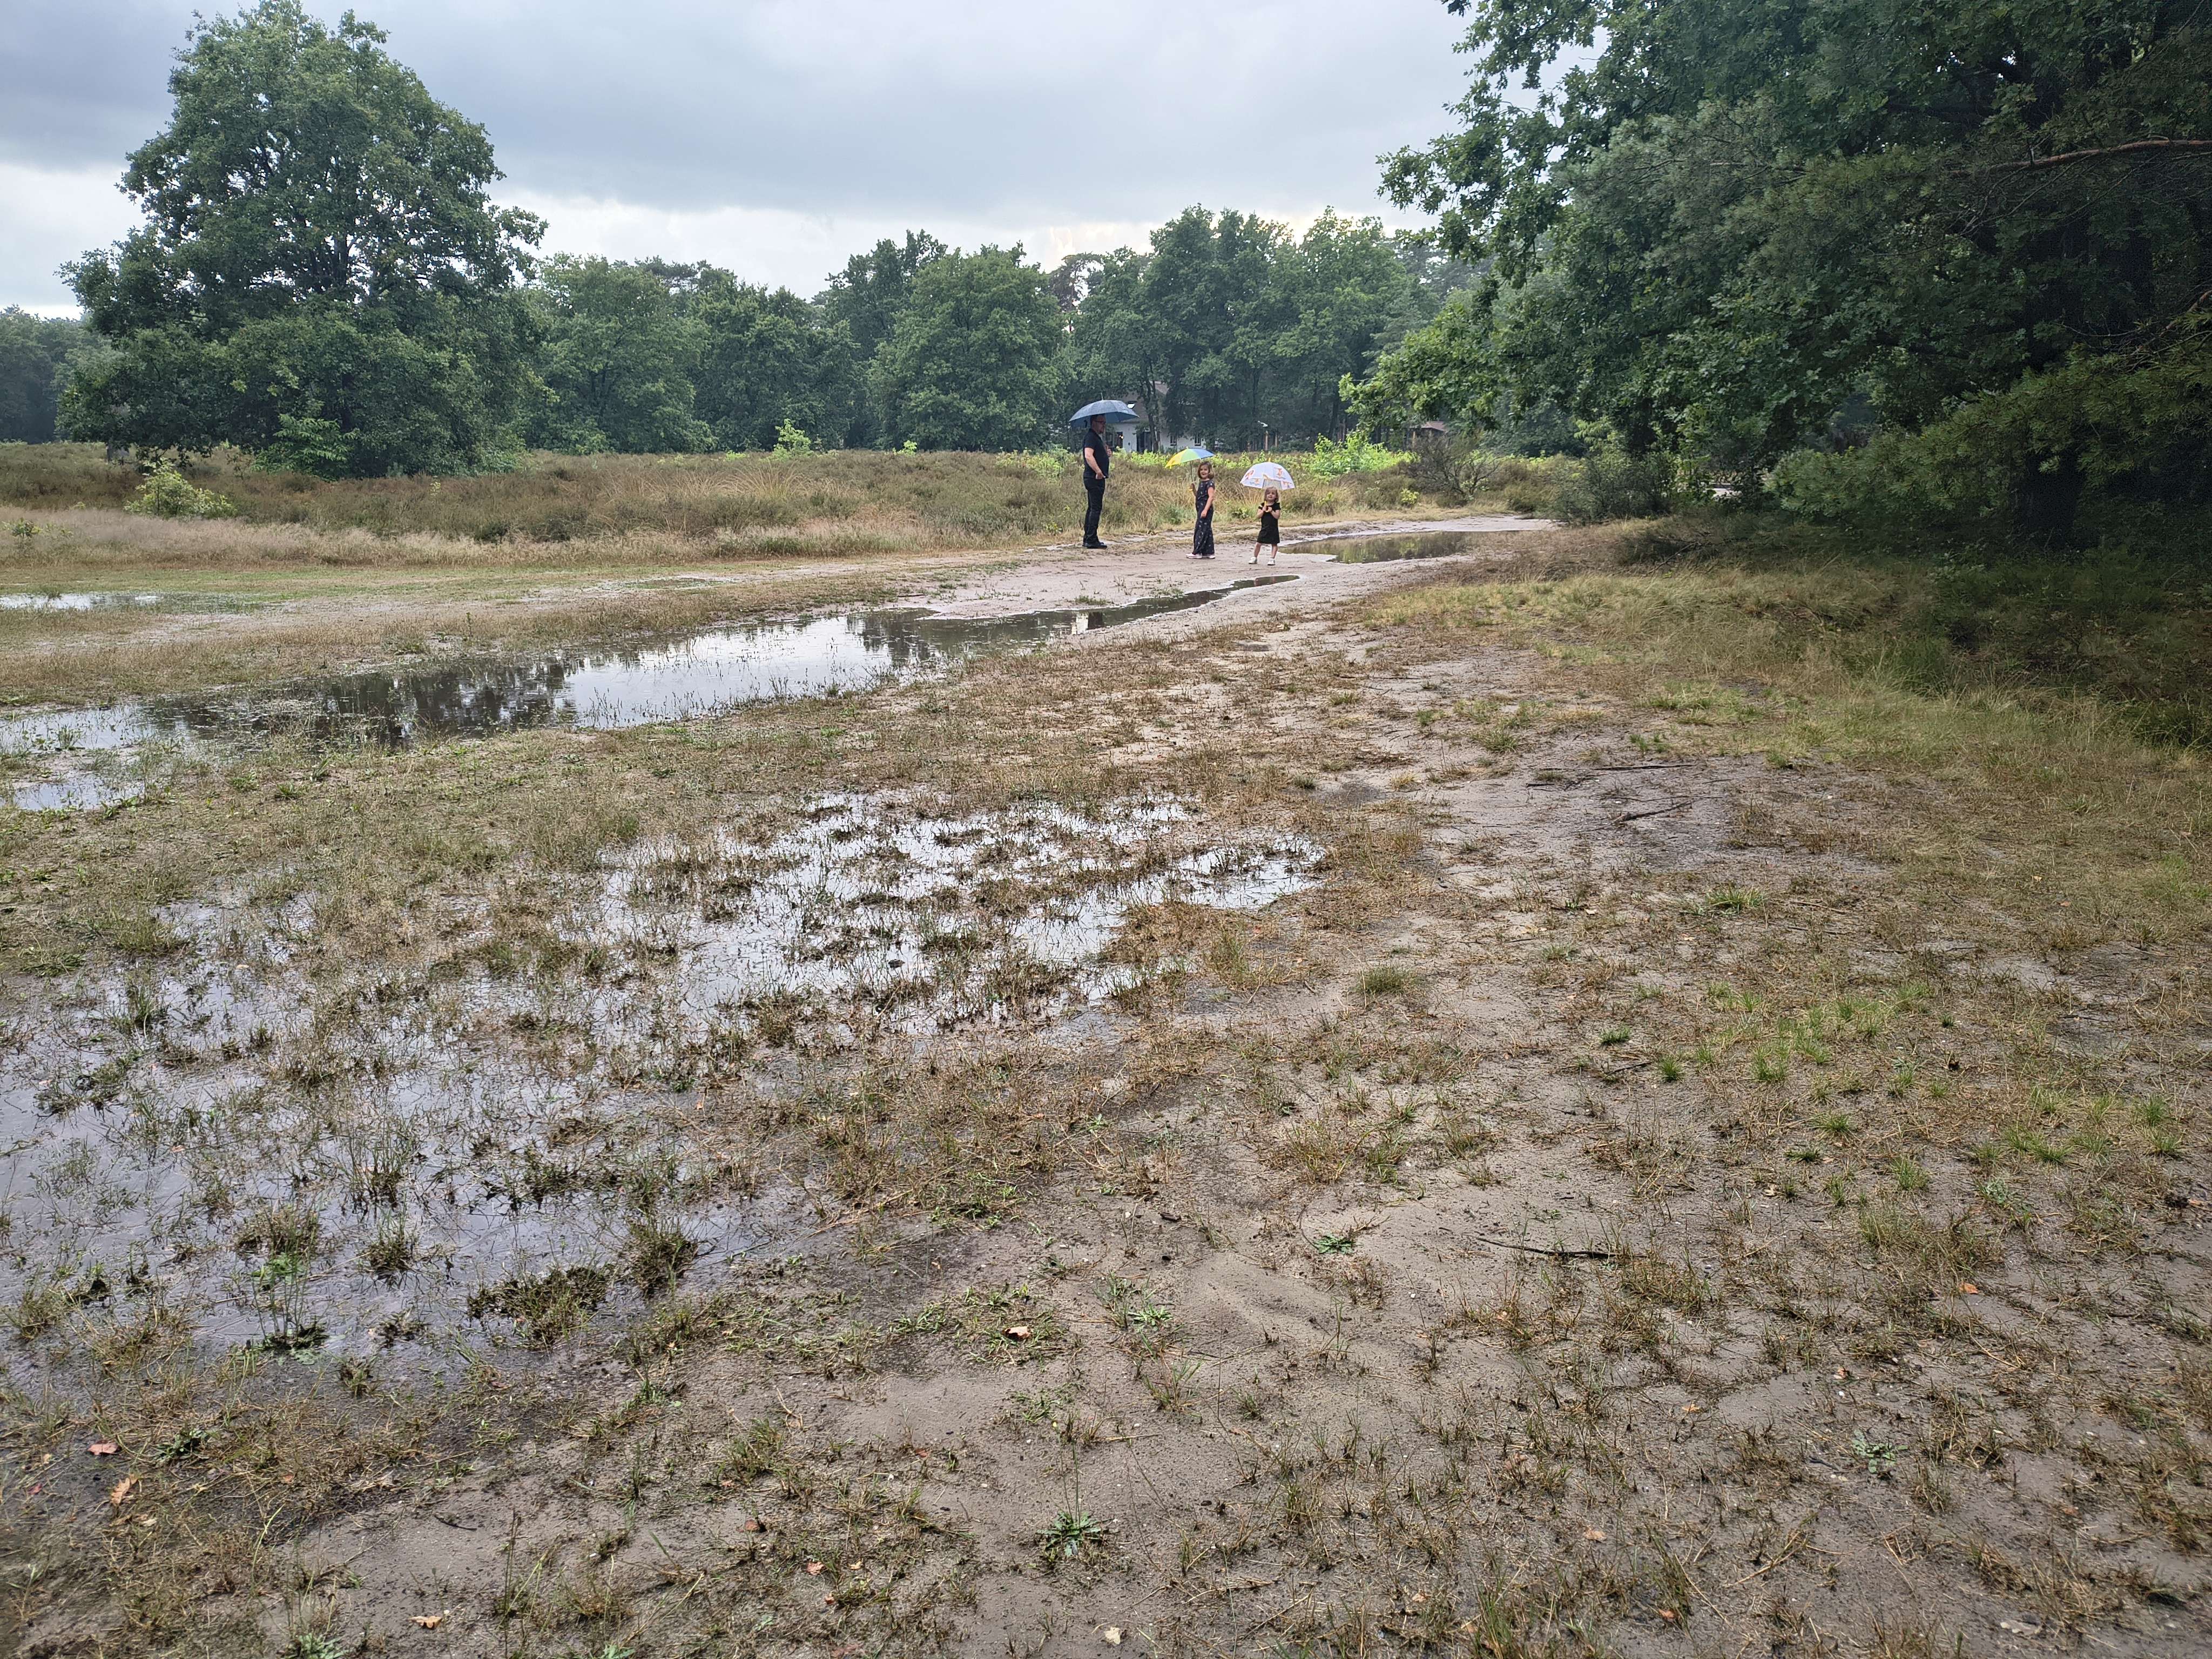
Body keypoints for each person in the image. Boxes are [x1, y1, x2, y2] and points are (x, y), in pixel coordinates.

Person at [1081, 415, 1111, 548]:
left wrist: (1105, 454)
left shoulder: (1095, 438)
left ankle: (1089, 537)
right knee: (1096, 508)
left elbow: (1096, 454)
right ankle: (1091, 539)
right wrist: (1098, 471)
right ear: (1093, 423)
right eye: (1101, 422)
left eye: (1104, 423)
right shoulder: (1091, 437)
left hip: (1095, 478)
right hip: (1094, 478)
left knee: (1092, 508)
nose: (1103, 425)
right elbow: (1088, 455)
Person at [1189, 460, 1216, 559]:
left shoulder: (1210, 483)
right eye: (1201, 470)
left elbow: (1211, 497)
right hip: (1200, 509)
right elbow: (1199, 497)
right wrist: (1194, 490)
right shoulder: (1202, 483)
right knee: (1207, 530)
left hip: (1206, 509)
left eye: (1205, 470)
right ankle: (1208, 552)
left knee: (1200, 530)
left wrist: (1205, 510)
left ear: (1210, 471)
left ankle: (1198, 552)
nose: (1203, 472)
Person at [1249, 487, 1280, 565]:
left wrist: (1271, 511)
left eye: (1273, 494)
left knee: (1274, 543)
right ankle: (1254, 557)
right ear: (1265, 495)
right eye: (1268, 493)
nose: (1270, 495)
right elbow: (1258, 516)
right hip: (1264, 528)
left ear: (1276, 496)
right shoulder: (1262, 505)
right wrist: (1263, 510)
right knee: (1259, 543)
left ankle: (1272, 559)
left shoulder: (1276, 506)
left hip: (1273, 528)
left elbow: (1277, 516)